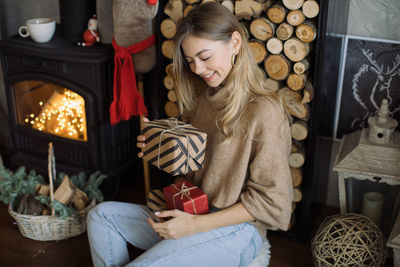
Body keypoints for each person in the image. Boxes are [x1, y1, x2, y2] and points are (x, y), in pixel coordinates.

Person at [86, 2, 293, 266]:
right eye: (190, 60)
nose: (196, 69)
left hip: (239, 231)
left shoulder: (264, 110)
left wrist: (196, 225)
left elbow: (273, 203)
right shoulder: (204, 99)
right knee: (100, 216)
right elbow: (195, 172)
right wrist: (167, 174)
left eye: (205, 57)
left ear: (235, 43)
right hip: (195, 213)